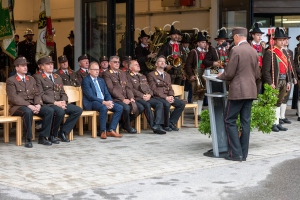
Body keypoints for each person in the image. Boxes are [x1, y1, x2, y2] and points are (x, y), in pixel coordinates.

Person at [217, 27, 260, 162]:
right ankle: (244, 153)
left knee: (229, 120)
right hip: (251, 90)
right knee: (245, 122)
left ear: (236, 37)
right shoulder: (253, 51)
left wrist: (220, 76)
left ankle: (235, 154)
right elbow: (257, 74)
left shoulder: (236, 50)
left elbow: (229, 73)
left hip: (238, 91)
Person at [6, 56, 54, 148]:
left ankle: (43, 137)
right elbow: (13, 97)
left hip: (33, 105)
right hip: (17, 107)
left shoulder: (31, 79)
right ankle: (28, 138)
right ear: (16, 68)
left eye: (26, 65)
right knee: (27, 112)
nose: (25, 67)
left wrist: (38, 104)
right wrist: (29, 105)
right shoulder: (11, 80)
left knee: (49, 110)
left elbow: (37, 93)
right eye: (22, 65)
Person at [34, 56, 83, 142]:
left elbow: (63, 93)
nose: (51, 66)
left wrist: (63, 101)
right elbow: (41, 95)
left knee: (77, 110)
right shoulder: (37, 77)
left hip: (59, 103)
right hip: (48, 104)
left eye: (52, 64)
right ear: (42, 66)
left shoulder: (57, 77)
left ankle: (63, 132)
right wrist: (56, 103)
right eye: (48, 64)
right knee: (60, 111)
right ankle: (52, 135)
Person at [82, 61, 123, 139]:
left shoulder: (101, 80)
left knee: (119, 108)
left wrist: (109, 102)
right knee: (103, 108)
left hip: (103, 101)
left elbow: (107, 93)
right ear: (89, 70)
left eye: (98, 69)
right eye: (94, 69)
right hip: (92, 102)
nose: (97, 71)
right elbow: (90, 96)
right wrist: (104, 102)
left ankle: (111, 130)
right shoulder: (86, 80)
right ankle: (102, 131)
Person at [103, 56, 144, 133]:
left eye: (118, 62)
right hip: (115, 99)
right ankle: (127, 126)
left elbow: (128, 87)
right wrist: (123, 99)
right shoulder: (106, 74)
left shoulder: (122, 73)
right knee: (126, 108)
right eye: (115, 62)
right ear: (109, 63)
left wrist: (131, 97)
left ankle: (122, 123)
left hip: (126, 98)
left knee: (140, 107)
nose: (117, 64)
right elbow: (111, 89)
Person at [262, 27, 291, 132]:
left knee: (279, 102)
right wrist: (270, 83)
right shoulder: (270, 53)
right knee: (272, 102)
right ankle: (271, 123)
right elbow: (265, 71)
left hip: (283, 80)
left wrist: (288, 81)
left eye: (283, 40)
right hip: (275, 81)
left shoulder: (285, 53)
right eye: (280, 40)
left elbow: (287, 69)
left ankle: (277, 122)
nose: (282, 42)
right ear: (274, 41)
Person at [126, 60, 166, 134]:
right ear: (130, 68)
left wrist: (150, 94)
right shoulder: (127, 76)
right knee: (147, 105)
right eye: (135, 64)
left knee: (159, 103)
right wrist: (142, 95)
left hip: (147, 97)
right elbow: (131, 89)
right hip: (137, 98)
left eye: (138, 64)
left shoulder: (142, 76)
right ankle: (153, 126)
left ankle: (157, 124)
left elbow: (149, 88)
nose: (138, 65)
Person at [147, 55, 186, 131]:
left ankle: (171, 122)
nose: (162, 63)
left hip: (168, 96)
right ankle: (165, 125)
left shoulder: (167, 75)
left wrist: (171, 96)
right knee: (166, 104)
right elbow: (154, 89)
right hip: (158, 97)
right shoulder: (151, 75)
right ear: (156, 64)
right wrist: (166, 97)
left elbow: (170, 88)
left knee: (181, 104)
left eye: (164, 62)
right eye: (160, 61)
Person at [185, 31, 208, 117]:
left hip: (204, 73)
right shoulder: (193, 52)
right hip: (196, 74)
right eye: (202, 42)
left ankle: (199, 113)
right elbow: (188, 65)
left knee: (202, 94)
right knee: (195, 93)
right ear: (198, 43)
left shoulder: (206, 52)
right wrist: (191, 75)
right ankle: (196, 114)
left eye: (205, 42)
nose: (204, 44)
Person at [280, 36, 296, 124]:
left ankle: (282, 116)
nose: (286, 41)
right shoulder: (279, 51)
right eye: (284, 39)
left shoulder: (289, 51)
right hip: (281, 76)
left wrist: (294, 77)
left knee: (286, 97)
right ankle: (278, 117)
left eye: (287, 39)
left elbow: (292, 65)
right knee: (280, 97)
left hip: (288, 76)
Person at [249, 22, 265, 94]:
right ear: (253, 35)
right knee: (250, 89)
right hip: (251, 70)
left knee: (258, 90)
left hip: (260, 70)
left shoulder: (262, 47)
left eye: (260, 35)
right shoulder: (249, 45)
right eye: (258, 35)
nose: (260, 37)